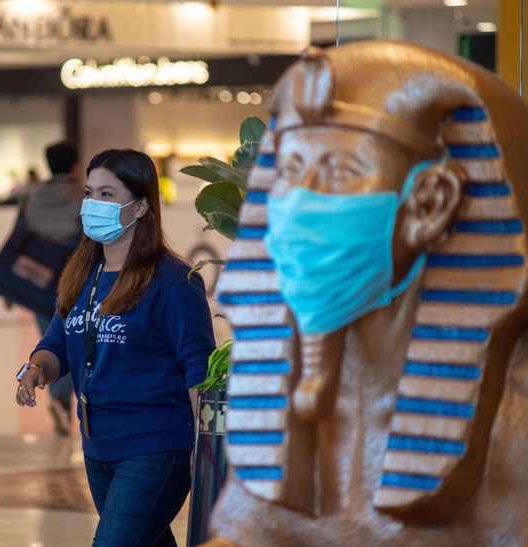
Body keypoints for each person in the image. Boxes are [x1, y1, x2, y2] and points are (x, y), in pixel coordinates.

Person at [205, 42, 528, 546]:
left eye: (340, 174)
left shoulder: (515, 432)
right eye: (288, 174)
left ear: (430, 205)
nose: (296, 208)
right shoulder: (287, 409)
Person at [16, 148, 215, 546]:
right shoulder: (82, 275)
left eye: (107, 195)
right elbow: (58, 340)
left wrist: (207, 450)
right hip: (98, 446)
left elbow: (199, 366)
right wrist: (36, 369)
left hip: (154, 447)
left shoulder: (173, 282)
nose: (93, 204)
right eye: (89, 193)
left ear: (140, 206)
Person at [18, 140, 83, 435]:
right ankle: (62, 402)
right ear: (73, 165)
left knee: (50, 338)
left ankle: (59, 401)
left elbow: (19, 236)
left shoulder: (32, 195)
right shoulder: (82, 195)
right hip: (71, 276)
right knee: (69, 340)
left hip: (37, 279)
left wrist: (14, 286)